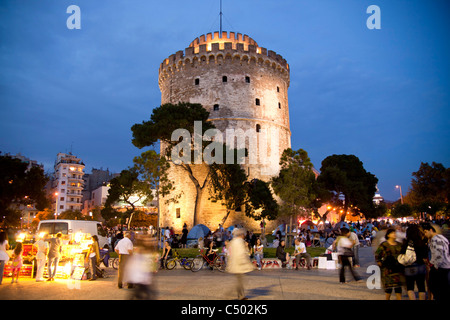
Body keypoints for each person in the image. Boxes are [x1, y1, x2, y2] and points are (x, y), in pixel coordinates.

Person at [422, 223, 450, 301]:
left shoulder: (435, 239)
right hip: (445, 266)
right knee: (443, 289)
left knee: (435, 288)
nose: (425, 234)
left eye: (425, 232)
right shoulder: (442, 238)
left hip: (440, 267)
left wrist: (434, 265)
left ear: (431, 230)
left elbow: (439, 254)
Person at [375, 228, 404, 300]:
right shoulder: (384, 245)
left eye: (395, 233)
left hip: (398, 268)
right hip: (387, 269)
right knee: (388, 288)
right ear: (388, 235)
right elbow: (377, 254)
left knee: (398, 287)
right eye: (392, 233)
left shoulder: (399, 245)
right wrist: (380, 263)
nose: (394, 234)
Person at [400, 224, 428, 300]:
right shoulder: (421, 242)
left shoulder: (406, 242)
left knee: (410, 287)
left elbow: (402, 253)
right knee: (421, 286)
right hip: (420, 266)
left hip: (409, 266)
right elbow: (425, 254)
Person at [226, 228, 255, 300]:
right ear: (242, 235)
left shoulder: (233, 241)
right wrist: (247, 264)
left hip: (235, 264)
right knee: (240, 281)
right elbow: (242, 254)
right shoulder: (240, 242)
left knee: (239, 280)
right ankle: (239, 296)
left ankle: (240, 295)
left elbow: (229, 252)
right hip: (239, 265)